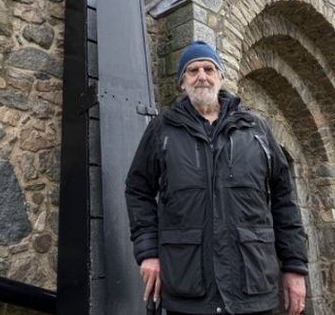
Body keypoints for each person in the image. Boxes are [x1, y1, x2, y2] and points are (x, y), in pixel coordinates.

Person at [126, 40, 308, 315]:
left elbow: (284, 201)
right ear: (181, 82)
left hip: (251, 286)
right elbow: (138, 190)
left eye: (209, 69)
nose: (202, 76)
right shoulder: (162, 130)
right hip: (188, 288)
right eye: (192, 70)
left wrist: (294, 267)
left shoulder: (256, 130)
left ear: (220, 77)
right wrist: (149, 252)